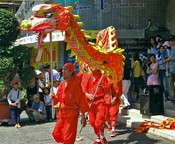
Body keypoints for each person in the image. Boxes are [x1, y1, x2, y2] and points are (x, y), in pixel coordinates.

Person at [52, 63, 89, 144]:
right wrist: (53, 97)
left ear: (71, 72)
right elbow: (58, 97)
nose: (63, 72)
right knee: (57, 133)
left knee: (68, 137)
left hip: (71, 114)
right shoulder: (62, 84)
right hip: (62, 113)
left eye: (65, 70)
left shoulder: (75, 84)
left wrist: (83, 117)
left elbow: (81, 100)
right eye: (62, 70)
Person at [80, 68, 108, 144]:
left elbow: (107, 89)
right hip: (90, 103)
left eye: (93, 66)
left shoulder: (103, 76)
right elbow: (83, 89)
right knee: (92, 122)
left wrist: (102, 87)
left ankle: (101, 136)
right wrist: (87, 94)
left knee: (99, 121)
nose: (91, 68)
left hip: (100, 102)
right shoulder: (86, 76)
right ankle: (98, 137)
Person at [164, 35, 175, 103]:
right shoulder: (171, 48)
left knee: (170, 84)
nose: (169, 43)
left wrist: (165, 61)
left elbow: (171, 58)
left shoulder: (174, 48)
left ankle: (173, 98)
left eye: (170, 41)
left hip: (172, 68)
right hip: (171, 67)